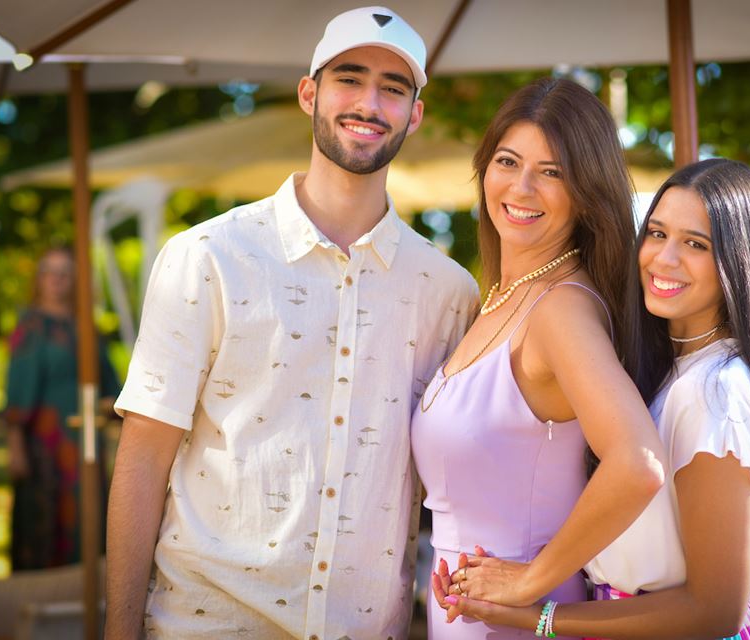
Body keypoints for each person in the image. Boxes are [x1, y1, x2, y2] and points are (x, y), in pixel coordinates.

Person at [104, 6, 478, 639]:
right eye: (349, 79)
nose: (369, 103)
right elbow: (143, 459)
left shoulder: (447, 292)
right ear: (310, 93)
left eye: (393, 89)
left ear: (415, 114)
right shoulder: (206, 258)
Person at [435, 159, 750, 638]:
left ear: (741, 263)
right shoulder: (667, 372)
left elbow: (714, 610)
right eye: (658, 234)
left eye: (696, 244)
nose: (663, 259)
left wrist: (534, 611)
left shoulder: (715, 392)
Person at [411, 77, 667, 639]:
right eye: (508, 161)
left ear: (586, 190)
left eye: (552, 172)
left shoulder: (561, 311)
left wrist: (529, 582)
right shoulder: (497, 299)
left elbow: (638, 463)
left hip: (517, 622)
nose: (522, 187)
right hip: (465, 618)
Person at [4, 247, 120, 570]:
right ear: (39, 279)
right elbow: (17, 396)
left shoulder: (87, 328)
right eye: (49, 272)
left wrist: (112, 405)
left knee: (88, 519)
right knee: (44, 520)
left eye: (64, 273)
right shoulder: (30, 328)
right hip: (44, 446)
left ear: (75, 281)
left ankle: (85, 596)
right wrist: (15, 448)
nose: (57, 280)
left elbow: (111, 384)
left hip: (86, 441)